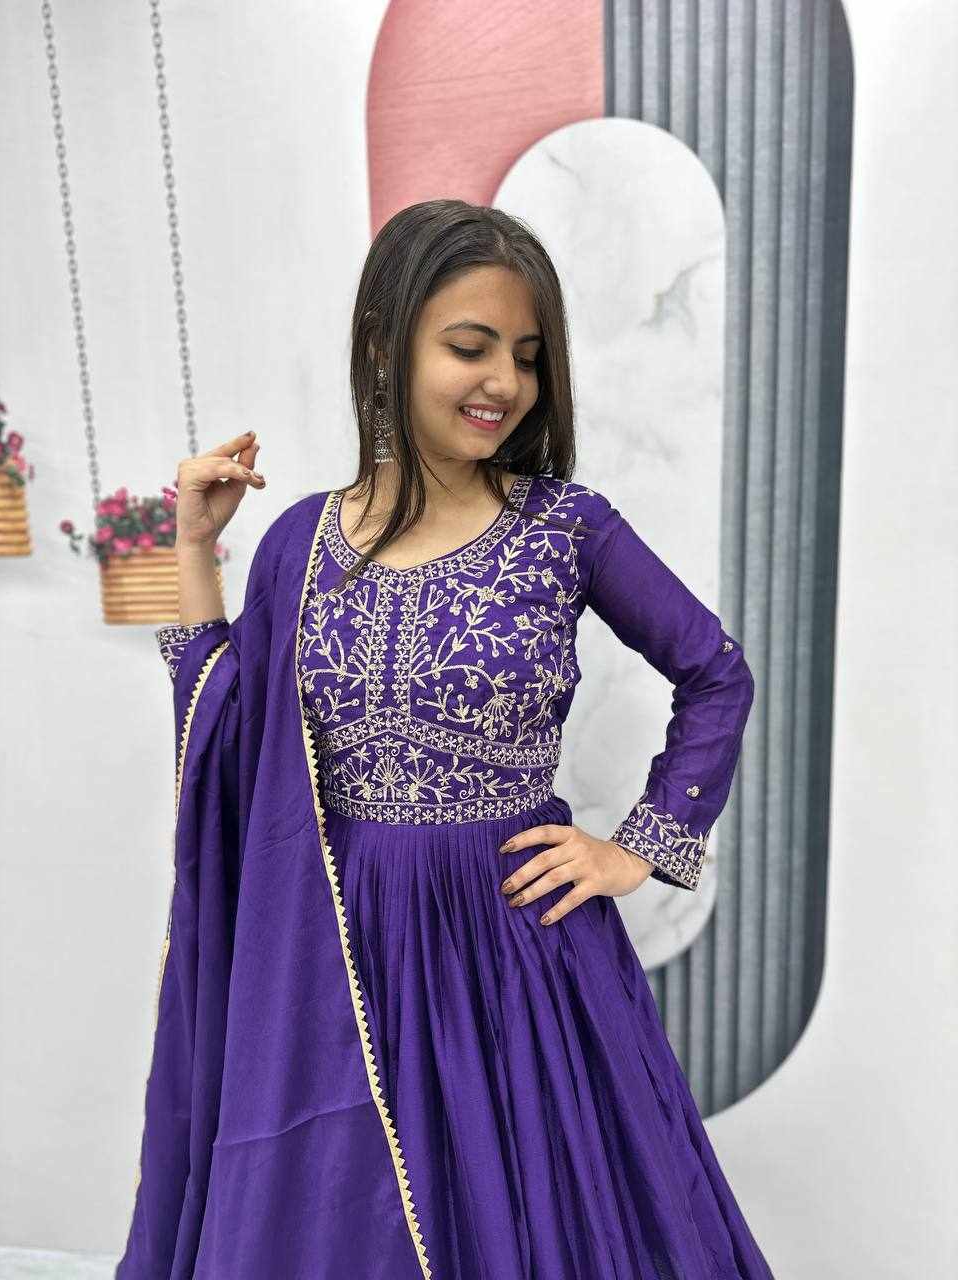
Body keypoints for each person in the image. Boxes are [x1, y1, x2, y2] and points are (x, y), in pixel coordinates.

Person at [116, 200, 774, 1279]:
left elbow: (716, 673)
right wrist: (193, 550)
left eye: (527, 355)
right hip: (341, 943)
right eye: (470, 347)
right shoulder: (298, 543)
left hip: (514, 949)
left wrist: (639, 846)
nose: (504, 381)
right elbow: (231, 747)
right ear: (386, 345)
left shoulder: (566, 528)